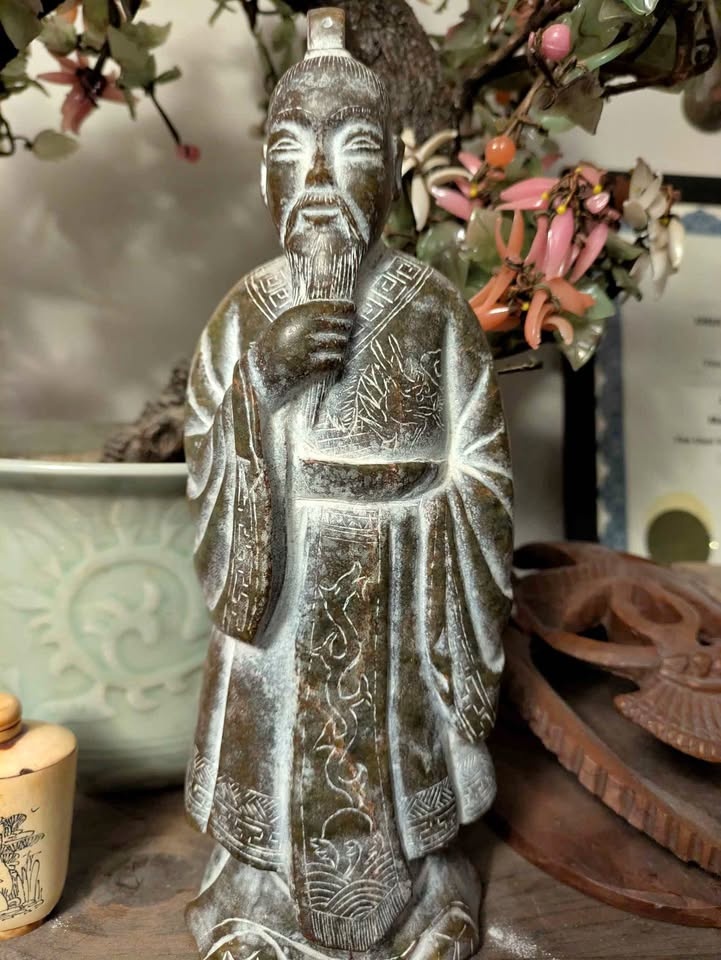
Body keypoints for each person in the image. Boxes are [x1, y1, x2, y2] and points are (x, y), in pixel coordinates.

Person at [184, 10, 513, 960]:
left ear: (394, 172)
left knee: (405, 801)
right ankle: (258, 904)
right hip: (284, 599)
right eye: (293, 155)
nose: (321, 182)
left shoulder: (436, 311)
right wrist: (259, 385)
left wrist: (424, 527)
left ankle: (424, 904)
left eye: (354, 150)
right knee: (271, 800)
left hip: (403, 595)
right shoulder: (243, 315)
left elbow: (482, 467)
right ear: (266, 179)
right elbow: (207, 459)